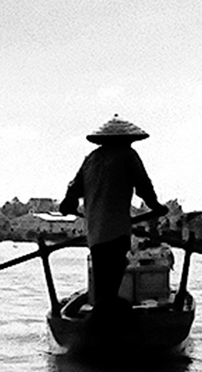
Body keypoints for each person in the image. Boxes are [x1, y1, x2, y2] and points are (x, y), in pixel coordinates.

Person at [58, 117, 166, 313]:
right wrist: (156, 206)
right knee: (111, 284)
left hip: (96, 234)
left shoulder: (91, 159)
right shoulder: (127, 155)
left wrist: (68, 204)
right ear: (126, 140)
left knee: (102, 286)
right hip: (117, 232)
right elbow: (143, 186)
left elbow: (73, 191)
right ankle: (106, 320)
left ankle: (102, 318)